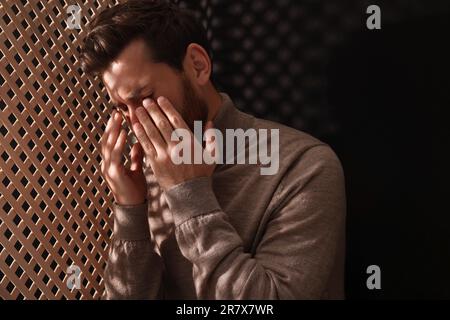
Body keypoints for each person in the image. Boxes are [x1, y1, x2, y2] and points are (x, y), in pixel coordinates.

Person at [80, 0, 346, 299]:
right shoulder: (145, 170)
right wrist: (130, 210)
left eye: (144, 97)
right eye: (121, 108)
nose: (136, 123)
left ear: (198, 65)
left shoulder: (302, 167)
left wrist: (189, 195)